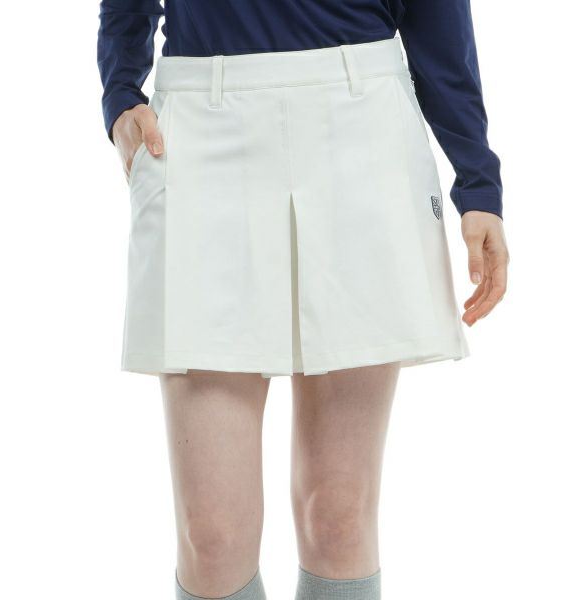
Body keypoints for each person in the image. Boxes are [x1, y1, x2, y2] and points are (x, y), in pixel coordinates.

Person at [97, 1, 509, 599]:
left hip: (360, 120)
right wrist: (119, 93)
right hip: (201, 125)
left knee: (337, 514)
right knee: (212, 536)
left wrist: (478, 181)